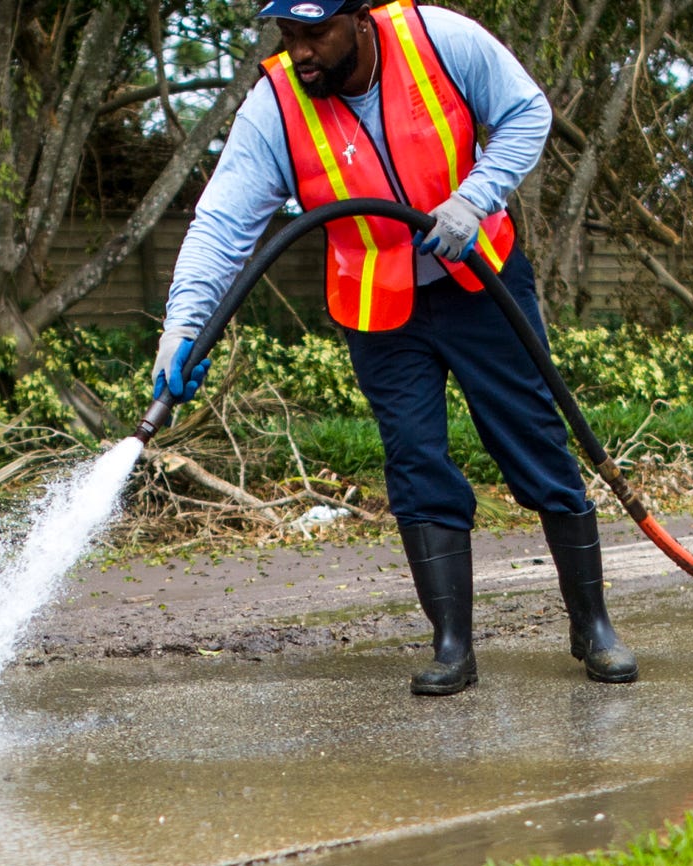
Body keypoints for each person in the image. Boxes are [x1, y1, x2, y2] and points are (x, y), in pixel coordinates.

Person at [154, 0, 636, 696]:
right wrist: (183, 324)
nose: (301, 52)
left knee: (534, 442)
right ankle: (452, 647)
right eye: (288, 36)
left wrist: (476, 198)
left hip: (480, 282)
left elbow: (527, 113)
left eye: (315, 32)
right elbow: (222, 224)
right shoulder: (276, 106)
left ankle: (592, 626)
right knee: (415, 460)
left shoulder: (440, 40)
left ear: (359, 17)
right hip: (379, 305)